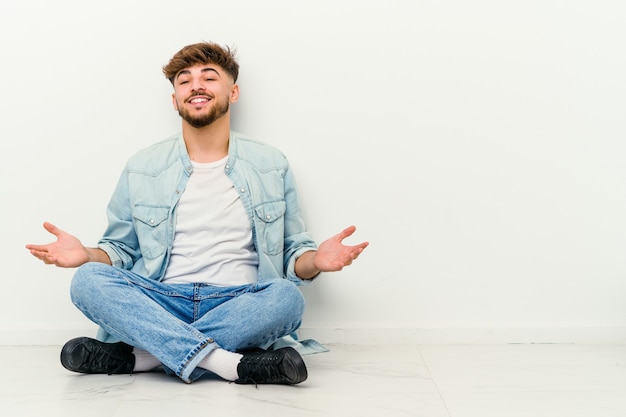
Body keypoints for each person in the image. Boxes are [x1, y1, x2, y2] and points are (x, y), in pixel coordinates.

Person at [25, 42, 368, 385]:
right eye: (184, 80)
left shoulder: (270, 163)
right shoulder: (142, 166)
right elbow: (121, 251)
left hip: (238, 302)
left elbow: (295, 254)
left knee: (286, 298)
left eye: (209, 77)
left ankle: (144, 358)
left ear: (233, 92)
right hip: (162, 301)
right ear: (175, 100)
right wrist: (85, 254)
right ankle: (232, 365)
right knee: (87, 280)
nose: (196, 85)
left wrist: (315, 261)